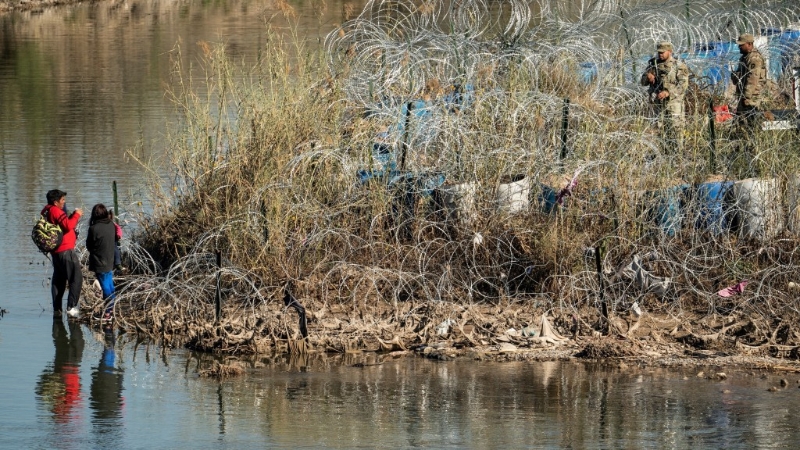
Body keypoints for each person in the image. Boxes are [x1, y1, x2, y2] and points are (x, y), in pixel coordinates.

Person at [640, 41, 689, 152]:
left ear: (670, 52)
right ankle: (664, 153)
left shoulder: (678, 66)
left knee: (676, 129)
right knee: (661, 129)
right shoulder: (653, 65)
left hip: (674, 104)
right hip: (659, 103)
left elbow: (683, 85)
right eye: (659, 52)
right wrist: (648, 76)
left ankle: (678, 154)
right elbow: (642, 83)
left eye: (663, 52)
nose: (660, 54)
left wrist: (668, 92)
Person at [42, 189, 83, 318]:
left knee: (59, 280)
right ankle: (71, 307)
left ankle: (57, 308)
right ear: (55, 202)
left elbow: (63, 224)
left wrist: (70, 217)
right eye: (62, 200)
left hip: (57, 252)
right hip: (65, 251)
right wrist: (77, 215)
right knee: (76, 278)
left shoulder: (48, 210)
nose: (64, 202)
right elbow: (67, 226)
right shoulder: (55, 210)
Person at [86, 204, 117, 322]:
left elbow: (89, 246)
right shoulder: (111, 224)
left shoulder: (93, 228)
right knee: (109, 284)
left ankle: (108, 313)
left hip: (100, 261)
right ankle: (112, 308)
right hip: (110, 259)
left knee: (105, 287)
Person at [731, 33, 767, 128]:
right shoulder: (744, 57)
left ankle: (754, 140)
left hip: (752, 96)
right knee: (741, 122)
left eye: (742, 45)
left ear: (749, 44)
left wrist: (746, 96)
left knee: (752, 122)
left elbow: (753, 78)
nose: (739, 47)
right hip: (744, 95)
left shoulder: (754, 58)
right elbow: (740, 75)